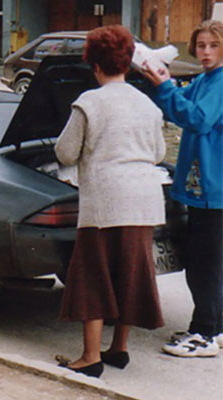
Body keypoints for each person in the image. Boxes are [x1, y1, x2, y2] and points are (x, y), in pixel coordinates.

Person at [55, 25, 167, 377]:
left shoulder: (90, 101)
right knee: (129, 272)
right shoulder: (146, 104)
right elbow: (160, 151)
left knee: (93, 274)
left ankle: (90, 357)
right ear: (127, 64)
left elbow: (66, 151)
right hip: (144, 201)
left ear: (95, 65)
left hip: (105, 202)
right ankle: (118, 348)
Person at [145, 20, 223, 357]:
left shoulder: (220, 83)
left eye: (213, 46)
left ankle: (204, 334)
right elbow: (175, 103)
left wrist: (164, 87)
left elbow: (197, 118)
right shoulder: (206, 79)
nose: (205, 52)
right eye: (201, 45)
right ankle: (214, 327)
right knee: (212, 261)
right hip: (205, 187)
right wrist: (162, 84)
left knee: (203, 262)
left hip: (213, 189)